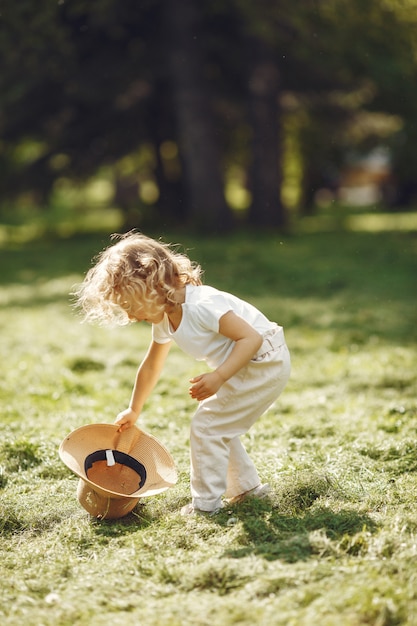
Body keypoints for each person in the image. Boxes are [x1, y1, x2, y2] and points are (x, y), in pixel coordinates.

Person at [74, 231, 291, 516]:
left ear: (150, 286)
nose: (129, 316)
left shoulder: (201, 306)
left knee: (207, 426)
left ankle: (205, 506)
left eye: (130, 306)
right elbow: (151, 364)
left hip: (263, 360)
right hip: (253, 364)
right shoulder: (165, 319)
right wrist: (133, 408)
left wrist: (219, 377)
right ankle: (247, 491)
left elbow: (251, 339)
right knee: (215, 426)